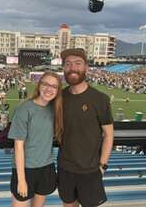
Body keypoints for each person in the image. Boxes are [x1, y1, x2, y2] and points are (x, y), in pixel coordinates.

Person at [58, 48, 114, 207]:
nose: (72, 68)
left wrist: (102, 166)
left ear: (86, 67)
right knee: (68, 205)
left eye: (77, 63)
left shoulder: (100, 99)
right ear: (63, 68)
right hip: (65, 167)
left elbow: (108, 135)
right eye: (68, 64)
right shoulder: (59, 97)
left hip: (90, 170)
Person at [8, 72, 63, 207]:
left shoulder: (55, 109)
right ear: (39, 86)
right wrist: (21, 180)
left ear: (57, 90)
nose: (49, 89)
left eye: (54, 86)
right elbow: (18, 146)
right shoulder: (24, 108)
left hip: (46, 167)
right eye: (45, 84)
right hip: (26, 169)